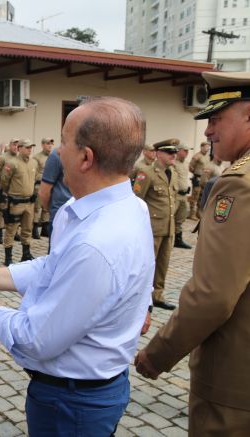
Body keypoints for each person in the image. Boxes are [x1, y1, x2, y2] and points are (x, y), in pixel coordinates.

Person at [0, 96, 154, 436]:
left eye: (64, 142)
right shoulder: (107, 209)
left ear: (86, 158)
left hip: (72, 403)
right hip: (79, 394)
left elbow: (35, 339)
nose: (56, 151)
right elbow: (55, 266)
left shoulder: (97, 242)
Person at [136, 71, 250, 436]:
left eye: (216, 119)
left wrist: (157, 355)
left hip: (235, 382)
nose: (207, 131)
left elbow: (213, 296)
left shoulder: (239, 186)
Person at [133, 139, 179, 311]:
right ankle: (143, 299)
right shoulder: (146, 173)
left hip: (168, 227)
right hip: (152, 228)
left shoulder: (172, 173)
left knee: (162, 264)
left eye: (175, 153)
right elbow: (137, 201)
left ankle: (157, 296)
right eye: (170, 153)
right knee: (147, 264)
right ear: (159, 154)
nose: (173, 156)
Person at [0, 138, 37, 265]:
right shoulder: (12, 163)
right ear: (19, 148)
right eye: (27, 147)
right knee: (11, 229)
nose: (29, 150)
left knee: (27, 229)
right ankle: (8, 258)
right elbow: (4, 181)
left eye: (31, 147)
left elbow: (34, 179)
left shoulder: (33, 163)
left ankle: (26, 254)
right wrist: (10, 194)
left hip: (29, 203)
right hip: (15, 202)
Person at [37, 145, 72, 250]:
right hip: (60, 212)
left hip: (81, 214)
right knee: (55, 255)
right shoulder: (56, 156)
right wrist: (53, 211)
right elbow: (44, 192)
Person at [32, 138, 53, 239]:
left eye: (51, 144)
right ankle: (34, 228)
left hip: (50, 185)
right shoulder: (37, 158)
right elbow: (33, 173)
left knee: (46, 208)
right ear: (43, 145)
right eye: (48, 144)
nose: (50, 146)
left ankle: (45, 229)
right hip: (39, 185)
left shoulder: (53, 156)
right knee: (37, 208)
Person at [173, 143, 193, 249]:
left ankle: (178, 240)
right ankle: (167, 240)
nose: (187, 152)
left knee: (180, 218)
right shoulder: (173, 163)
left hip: (184, 195)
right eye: (185, 150)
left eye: (188, 150)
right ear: (178, 150)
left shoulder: (186, 163)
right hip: (175, 195)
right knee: (171, 218)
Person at [188, 141, 211, 219]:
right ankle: (192, 214)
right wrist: (196, 173)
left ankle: (199, 212)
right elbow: (191, 167)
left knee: (202, 196)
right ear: (202, 147)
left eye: (208, 147)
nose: (208, 148)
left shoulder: (208, 157)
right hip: (197, 178)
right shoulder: (197, 156)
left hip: (205, 179)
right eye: (206, 147)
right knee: (195, 196)